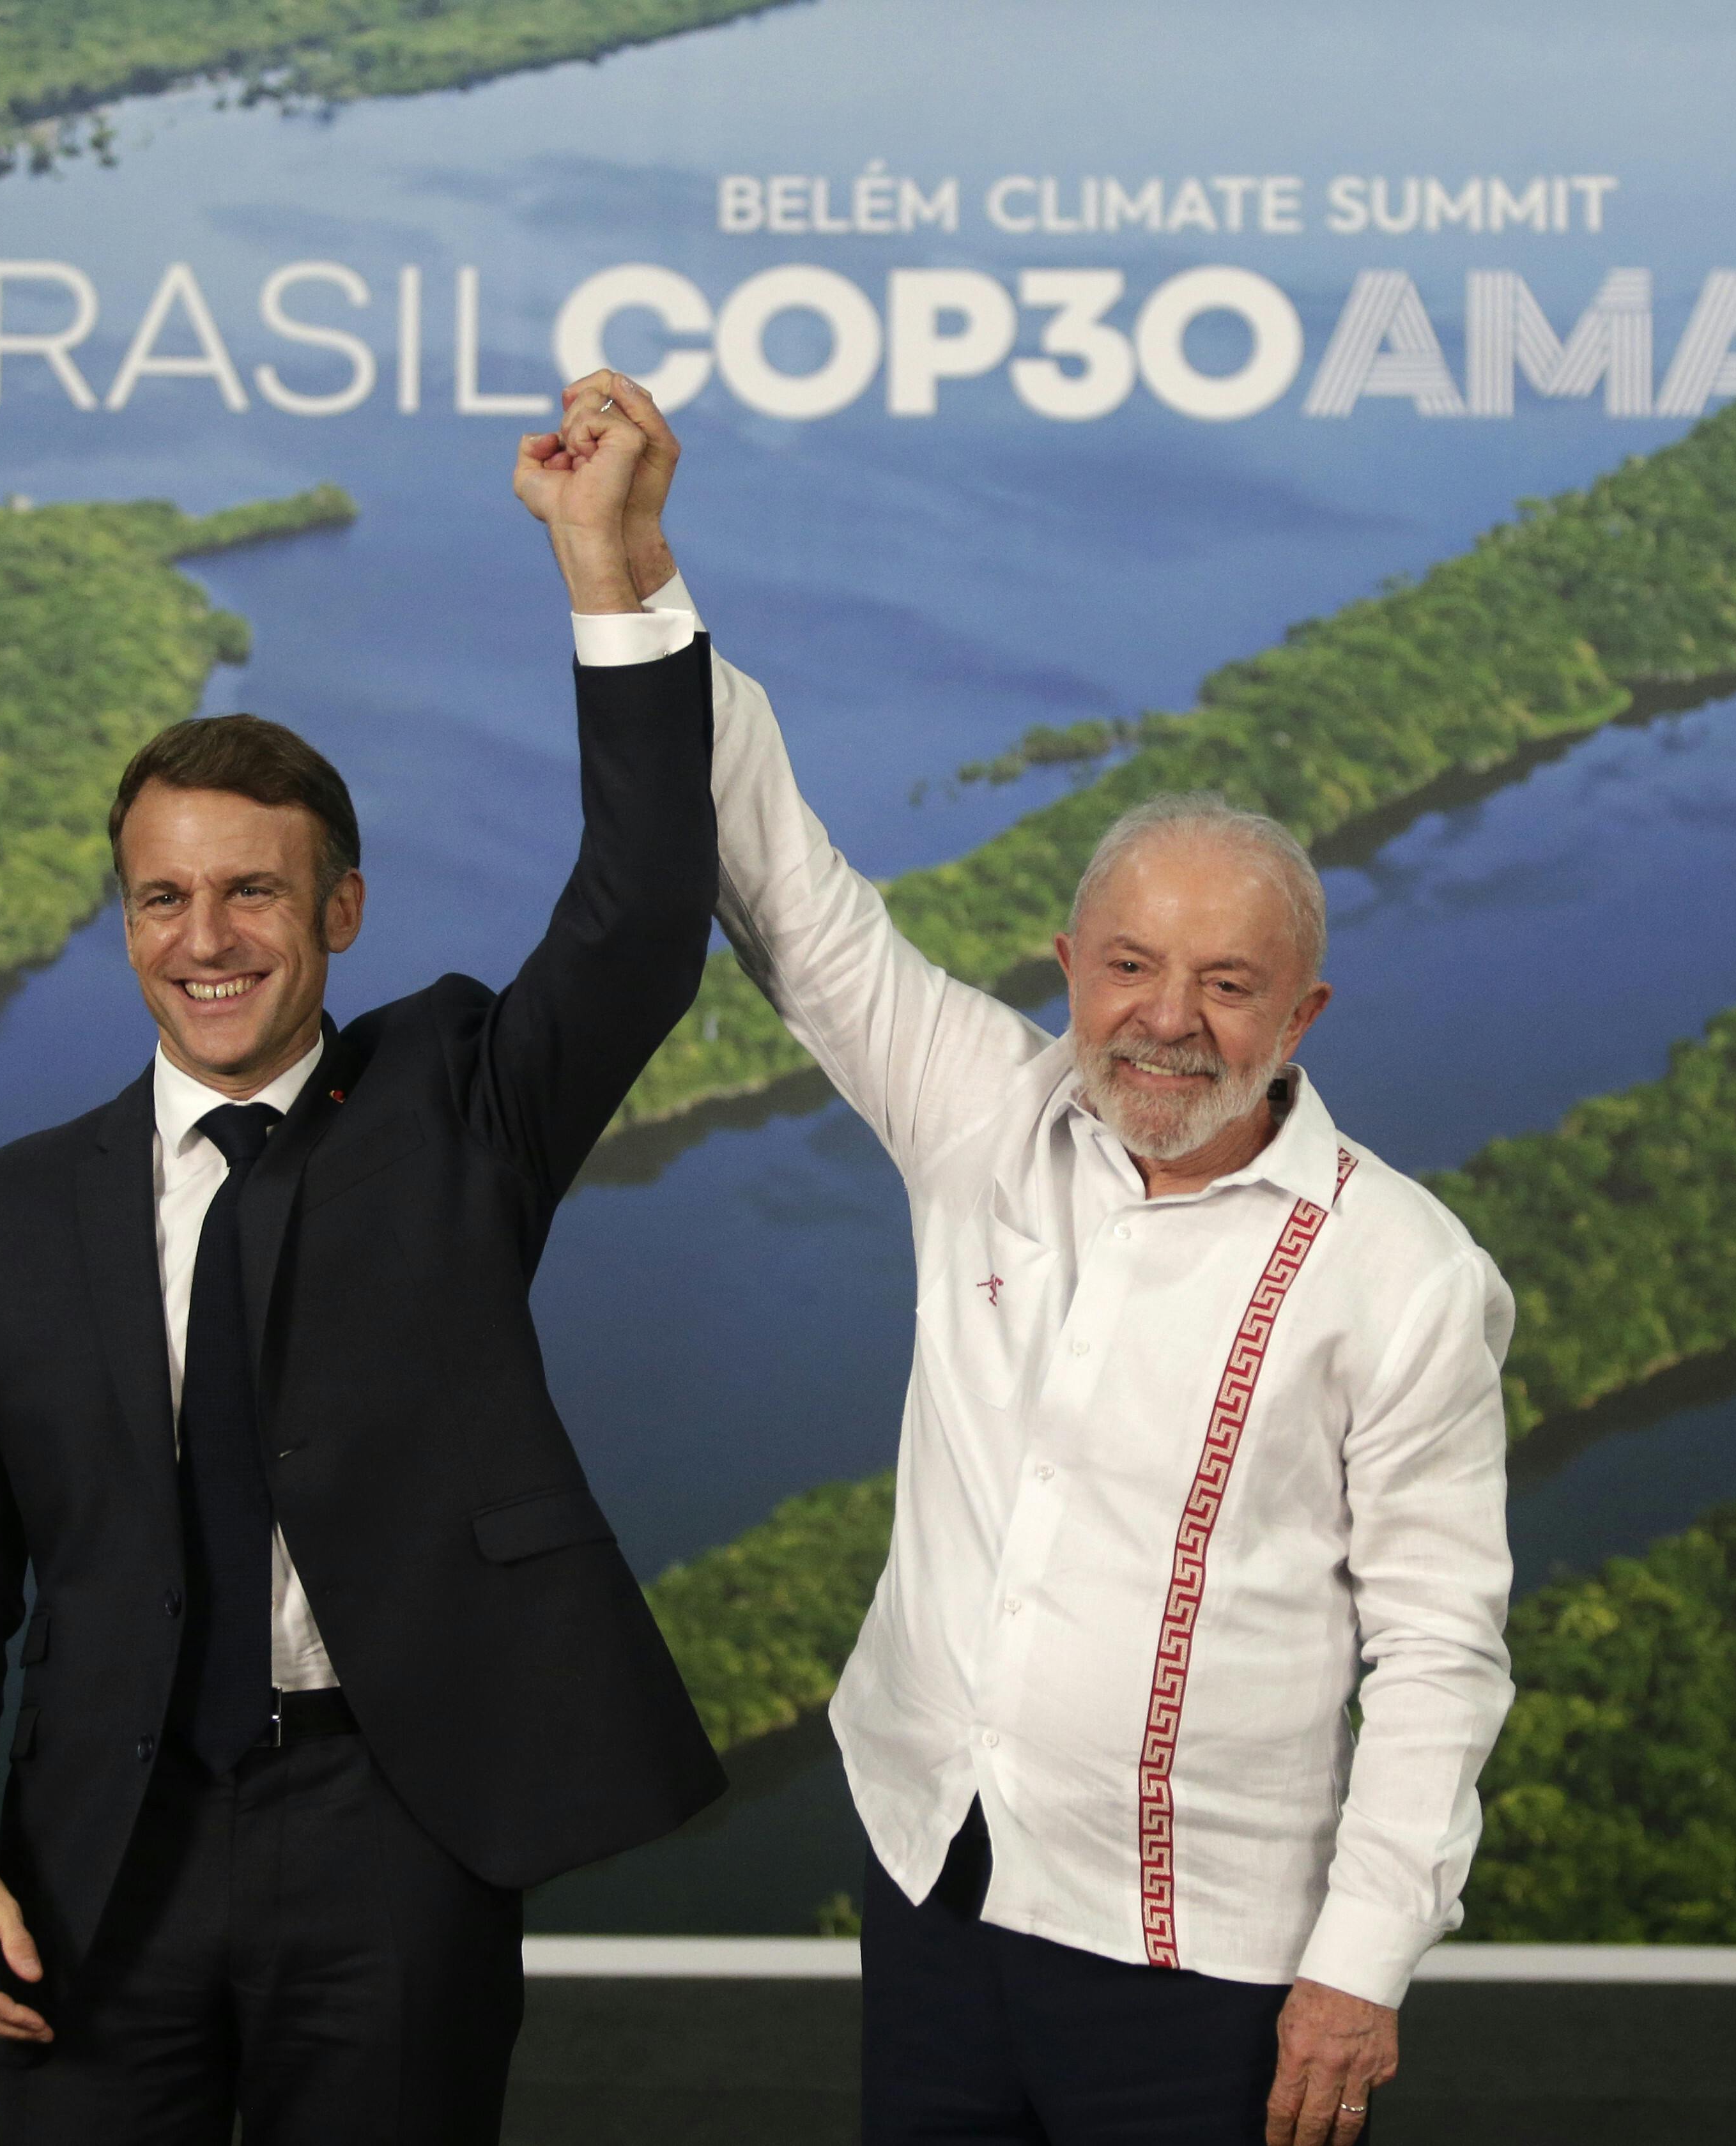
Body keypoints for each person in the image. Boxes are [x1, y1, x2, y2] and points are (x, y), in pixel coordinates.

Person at [567, 379, 1517, 2145]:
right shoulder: (987, 1119)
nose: (1168, 1021)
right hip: (936, 1879)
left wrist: (1362, 1964)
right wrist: (628, 571)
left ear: (1301, 1015)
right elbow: (777, 874)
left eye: (1227, 985)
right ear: (1066, 963)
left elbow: (1443, 1650)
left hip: (1208, 1959)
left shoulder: (1402, 1272)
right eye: (1130, 967)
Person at [0, 381, 724, 2145]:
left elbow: (641, 913)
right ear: (123, 920)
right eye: (165, 900)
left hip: (395, 1824)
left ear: (340, 909)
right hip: (104, 1853)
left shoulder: (461, 1098)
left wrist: (609, 565)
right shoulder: (5, 1212)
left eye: (253, 894)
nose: (208, 941)